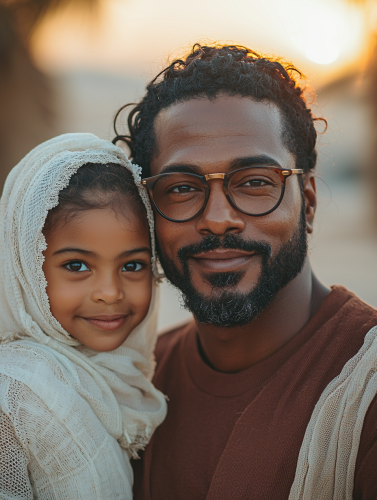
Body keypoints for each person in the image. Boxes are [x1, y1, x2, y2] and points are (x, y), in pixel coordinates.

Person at [113, 44, 377, 499]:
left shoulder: (365, 390)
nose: (218, 218)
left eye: (255, 182)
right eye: (181, 187)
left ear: (308, 202)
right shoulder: (133, 389)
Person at [0, 133, 167, 499]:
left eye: (133, 265)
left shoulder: (118, 377)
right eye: (76, 265)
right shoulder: (16, 396)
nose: (109, 292)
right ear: (26, 267)